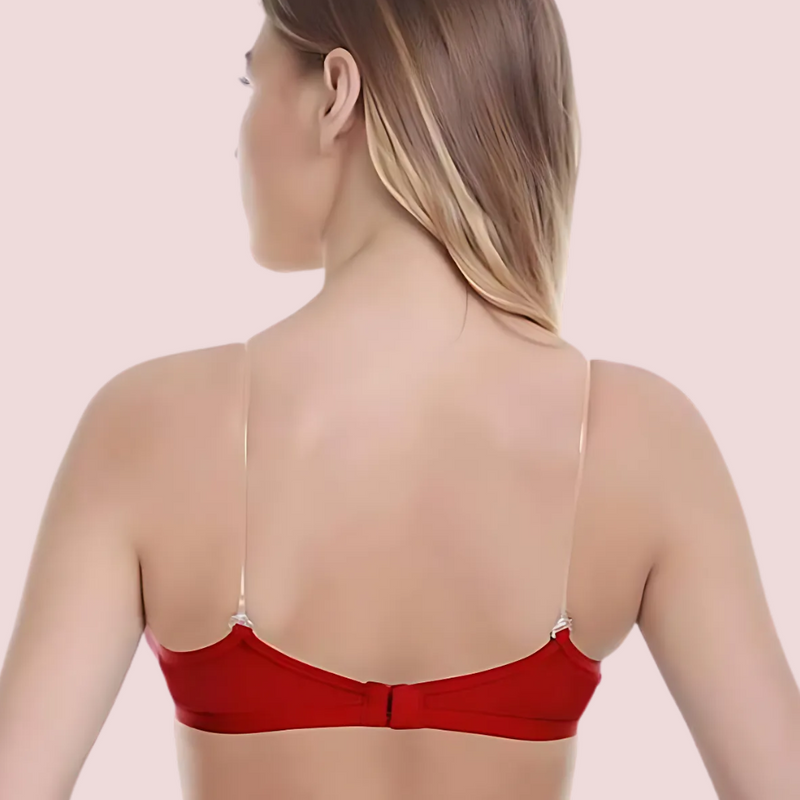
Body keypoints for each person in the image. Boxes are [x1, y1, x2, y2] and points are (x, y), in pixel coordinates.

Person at [1, 1, 799, 798]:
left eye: (251, 82)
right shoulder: (641, 437)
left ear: (336, 94)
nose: (236, 138)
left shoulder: (150, 427)